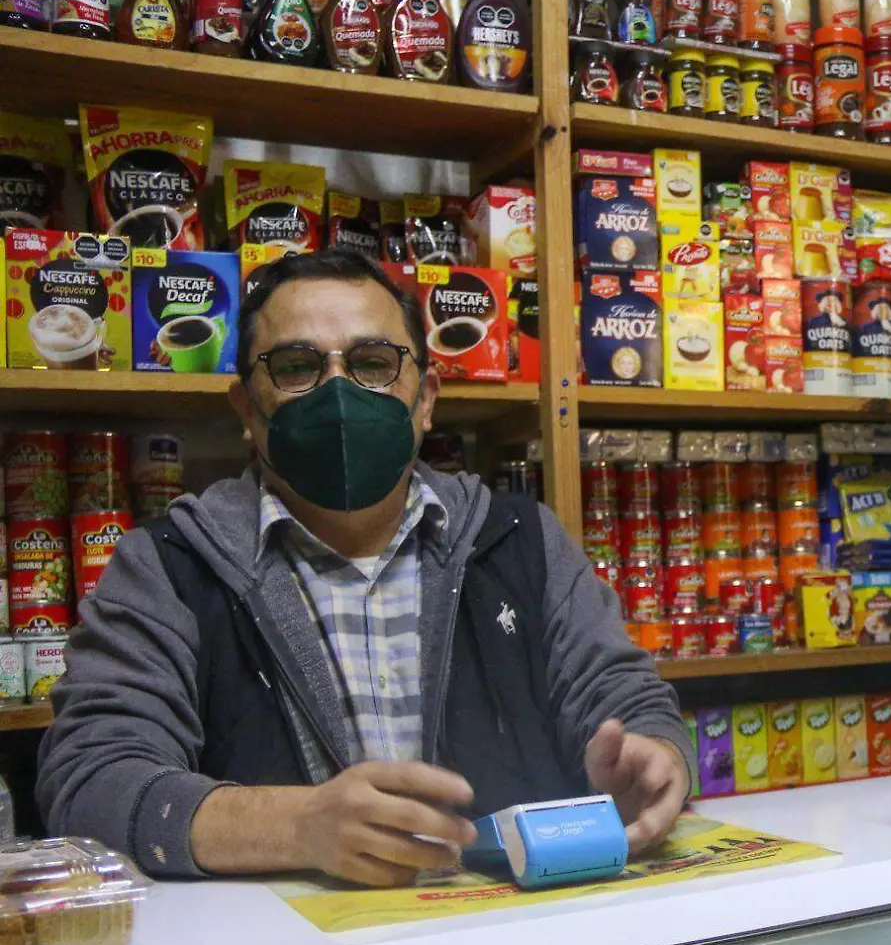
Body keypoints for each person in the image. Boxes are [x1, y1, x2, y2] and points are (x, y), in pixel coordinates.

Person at [37, 249, 691, 887]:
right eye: (296, 366)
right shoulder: (166, 564)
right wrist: (298, 826)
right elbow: (89, 780)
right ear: (245, 408)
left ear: (427, 397)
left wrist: (654, 755)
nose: (340, 393)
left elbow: (627, 698)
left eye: (373, 362)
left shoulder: (520, 540)